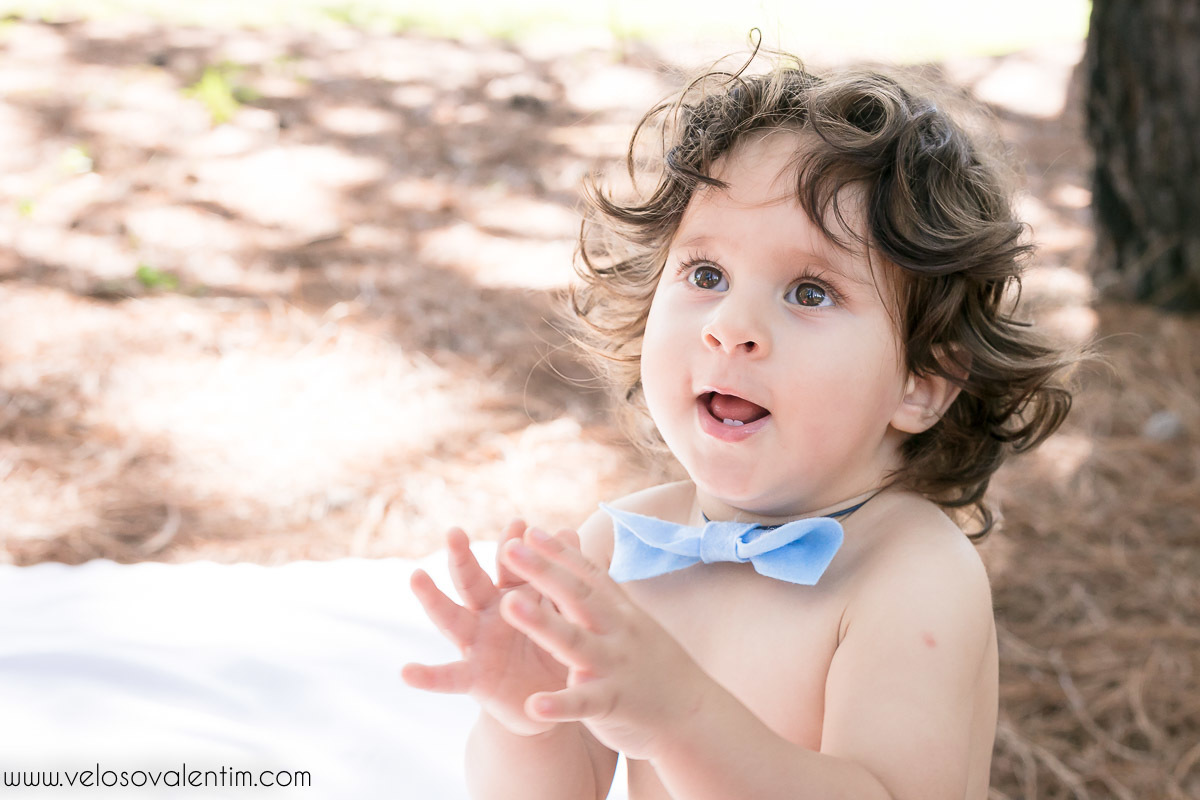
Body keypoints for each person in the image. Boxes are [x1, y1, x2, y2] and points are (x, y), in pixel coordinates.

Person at [402, 51, 1075, 800]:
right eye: (706, 275)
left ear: (922, 383)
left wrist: (680, 717)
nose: (731, 326)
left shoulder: (910, 575)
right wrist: (525, 719)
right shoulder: (618, 546)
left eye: (811, 292)